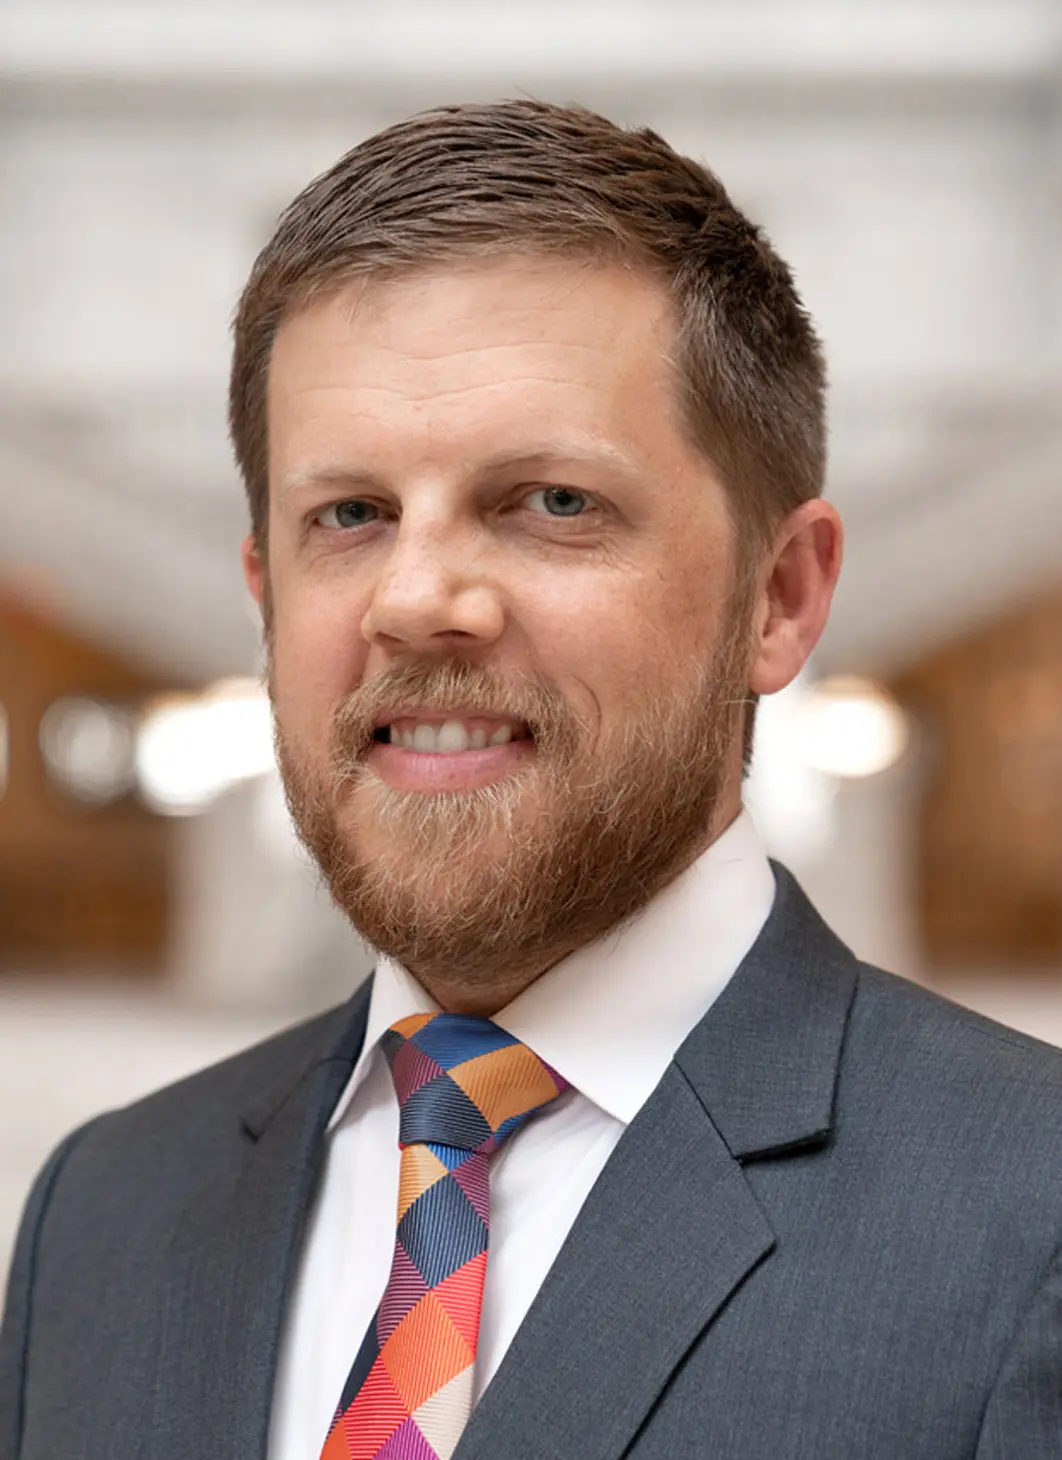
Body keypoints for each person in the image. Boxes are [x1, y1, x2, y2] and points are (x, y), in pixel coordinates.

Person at [2, 100, 1061, 1460]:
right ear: (264, 597)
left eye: (550, 501)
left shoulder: (1025, 1218)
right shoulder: (105, 1210)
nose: (418, 598)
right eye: (350, 516)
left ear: (778, 596)